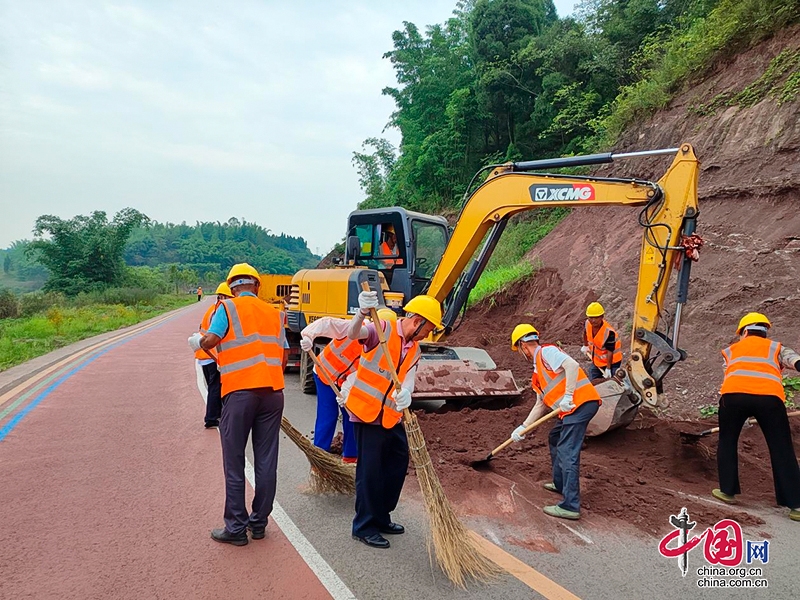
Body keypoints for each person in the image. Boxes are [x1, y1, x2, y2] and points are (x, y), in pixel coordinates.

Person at [188, 263, 287, 546]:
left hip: (239, 393)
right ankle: (258, 524)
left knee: (234, 462)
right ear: (257, 286)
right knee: (266, 461)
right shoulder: (275, 313)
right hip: (272, 394)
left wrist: (197, 341)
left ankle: (235, 527)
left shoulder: (227, 309)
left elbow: (212, 339)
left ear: (231, 288)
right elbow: (282, 357)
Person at [344, 290, 442, 548]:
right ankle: (364, 526)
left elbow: (408, 377)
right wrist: (361, 313)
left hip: (390, 416)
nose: (428, 334)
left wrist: (407, 393)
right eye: (429, 328)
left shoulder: (416, 349)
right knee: (370, 471)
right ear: (418, 320)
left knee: (398, 462)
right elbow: (354, 335)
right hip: (366, 413)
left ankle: (381, 515)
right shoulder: (382, 328)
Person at [712, 312, 800, 521]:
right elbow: (796, 362)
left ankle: (727, 491)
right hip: (769, 400)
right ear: (765, 331)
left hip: (733, 398)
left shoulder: (732, 350)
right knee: (782, 448)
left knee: (727, 441)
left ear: (743, 332)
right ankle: (796, 504)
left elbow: (730, 373)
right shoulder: (776, 348)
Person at [509, 324, 601, 520]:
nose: (520, 354)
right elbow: (540, 405)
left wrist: (568, 396)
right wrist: (523, 428)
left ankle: (570, 505)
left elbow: (572, 366)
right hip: (572, 409)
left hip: (580, 404)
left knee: (568, 451)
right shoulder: (538, 372)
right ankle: (560, 483)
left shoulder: (547, 352)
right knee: (555, 437)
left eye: (518, 350)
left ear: (523, 346)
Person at [299, 309, 401, 464]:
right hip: (324, 373)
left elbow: (359, 375)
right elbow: (326, 323)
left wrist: (346, 395)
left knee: (351, 416)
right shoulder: (353, 328)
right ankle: (319, 460)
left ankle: (350, 458)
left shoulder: (380, 348)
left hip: (344, 383)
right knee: (328, 415)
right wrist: (308, 336)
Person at [195, 282, 233, 428]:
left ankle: (216, 415)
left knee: (214, 386)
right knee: (215, 387)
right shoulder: (219, 312)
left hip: (205, 355)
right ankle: (211, 418)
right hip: (211, 355)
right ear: (223, 296)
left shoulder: (213, 309)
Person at [581, 302, 622, 380]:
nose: (593, 320)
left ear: (602, 317)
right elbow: (585, 332)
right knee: (593, 380)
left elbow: (610, 350)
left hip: (613, 362)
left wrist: (608, 368)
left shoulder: (609, 332)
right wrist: (585, 345)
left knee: (614, 382)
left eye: (596, 317)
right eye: (591, 317)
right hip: (598, 361)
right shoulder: (588, 323)